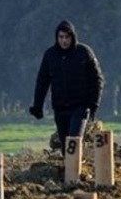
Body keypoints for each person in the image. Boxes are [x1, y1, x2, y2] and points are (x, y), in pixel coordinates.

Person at [29, 20, 104, 149]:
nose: (64, 41)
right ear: (56, 37)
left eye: (67, 37)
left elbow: (97, 79)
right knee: (65, 147)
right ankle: (71, 168)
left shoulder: (84, 52)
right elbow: (42, 82)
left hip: (80, 106)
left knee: (73, 141)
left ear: (72, 37)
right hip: (59, 108)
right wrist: (37, 105)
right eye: (61, 37)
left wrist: (93, 103)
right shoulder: (50, 55)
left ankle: (76, 168)